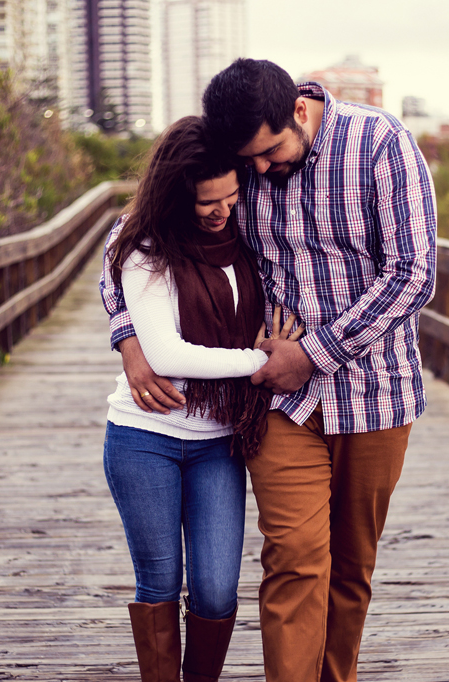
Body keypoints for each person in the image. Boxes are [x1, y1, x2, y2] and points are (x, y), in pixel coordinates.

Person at [105, 59, 437, 682]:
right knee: (293, 557)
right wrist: (129, 336)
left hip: (375, 394)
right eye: (248, 159)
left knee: (351, 567)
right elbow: (129, 237)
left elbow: (414, 275)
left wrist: (313, 354)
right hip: (278, 402)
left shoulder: (381, 143)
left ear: (299, 112)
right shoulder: (236, 159)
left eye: (270, 151)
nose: (258, 170)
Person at [99, 115, 301, 682]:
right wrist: (262, 362)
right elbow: (167, 354)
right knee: (160, 583)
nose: (222, 211)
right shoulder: (146, 245)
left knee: (215, 590)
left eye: (231, 197)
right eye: (207, 202)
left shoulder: (248, 234)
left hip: (218, 439)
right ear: (175, 194)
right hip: (145, 437)